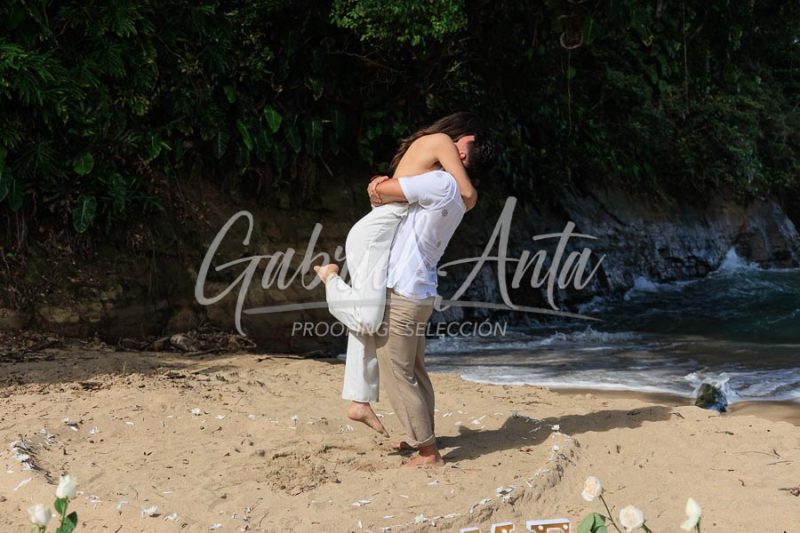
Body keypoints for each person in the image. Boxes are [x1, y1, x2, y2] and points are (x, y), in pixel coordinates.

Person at [314, 113, 492, 451]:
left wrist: (377, 185)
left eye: (465, 147)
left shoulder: (443, 177)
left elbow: (384, 190)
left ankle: (413, 439)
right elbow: (464, 193)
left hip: (396, 260)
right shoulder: (446, 174)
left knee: (392, 356)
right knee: (390, 344)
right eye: (464, 142)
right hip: (398, 258)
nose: (459, 149)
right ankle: (394, 422)